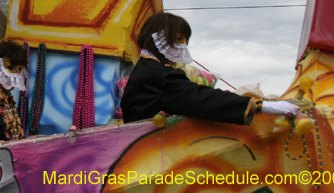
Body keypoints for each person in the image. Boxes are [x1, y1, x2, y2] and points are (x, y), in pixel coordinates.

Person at [121, 12, 300, 125]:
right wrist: (259, 105)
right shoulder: (159, 75)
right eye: (178, 39)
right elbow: (199, 98)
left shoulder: (145, 69)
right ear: (160, 39)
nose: (182, 47)